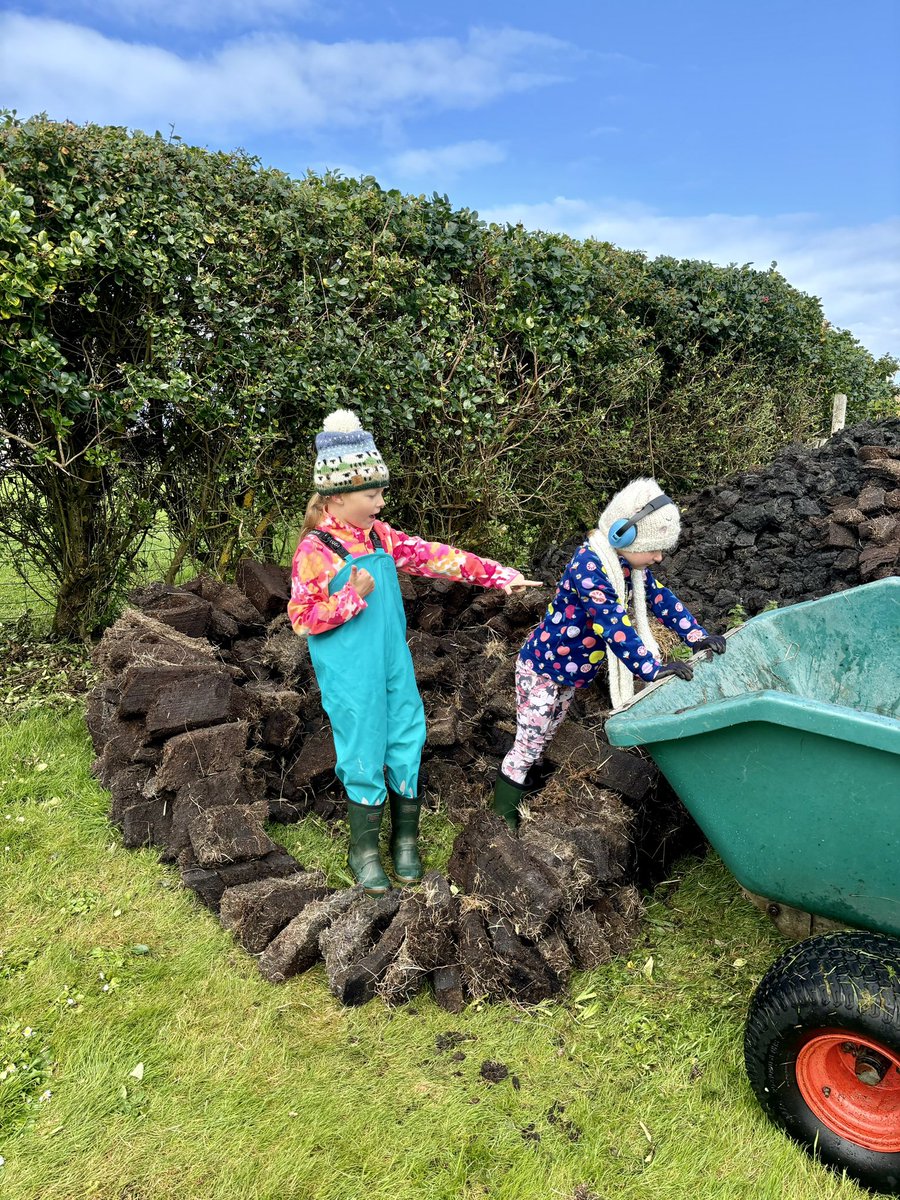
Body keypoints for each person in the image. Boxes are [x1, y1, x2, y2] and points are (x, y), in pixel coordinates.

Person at [288, 409, 539, 894]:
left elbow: (431, 555)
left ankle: (405, 840)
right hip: (348, 670)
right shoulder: (314, 551)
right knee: (363, 745)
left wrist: (497, 575)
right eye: (373, 494)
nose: (382, 502)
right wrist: (351, 596)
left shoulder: (379, 536)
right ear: (338, 497)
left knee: (406, 732)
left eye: (380, 492)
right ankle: (363, 850)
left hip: (391, 660)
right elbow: (302, 619)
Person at [491, 477, 726, 830]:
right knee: (529, 739)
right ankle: (501, 816)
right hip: (541, 670)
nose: (659, 557)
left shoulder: (627, 568)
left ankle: (530, 785)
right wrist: (649, 667)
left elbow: (661, 600)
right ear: (622, 535)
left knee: (549, 729)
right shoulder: (590, 567)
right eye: (654, 548)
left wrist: (697, 637)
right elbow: (612, 624)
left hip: (568, 673)